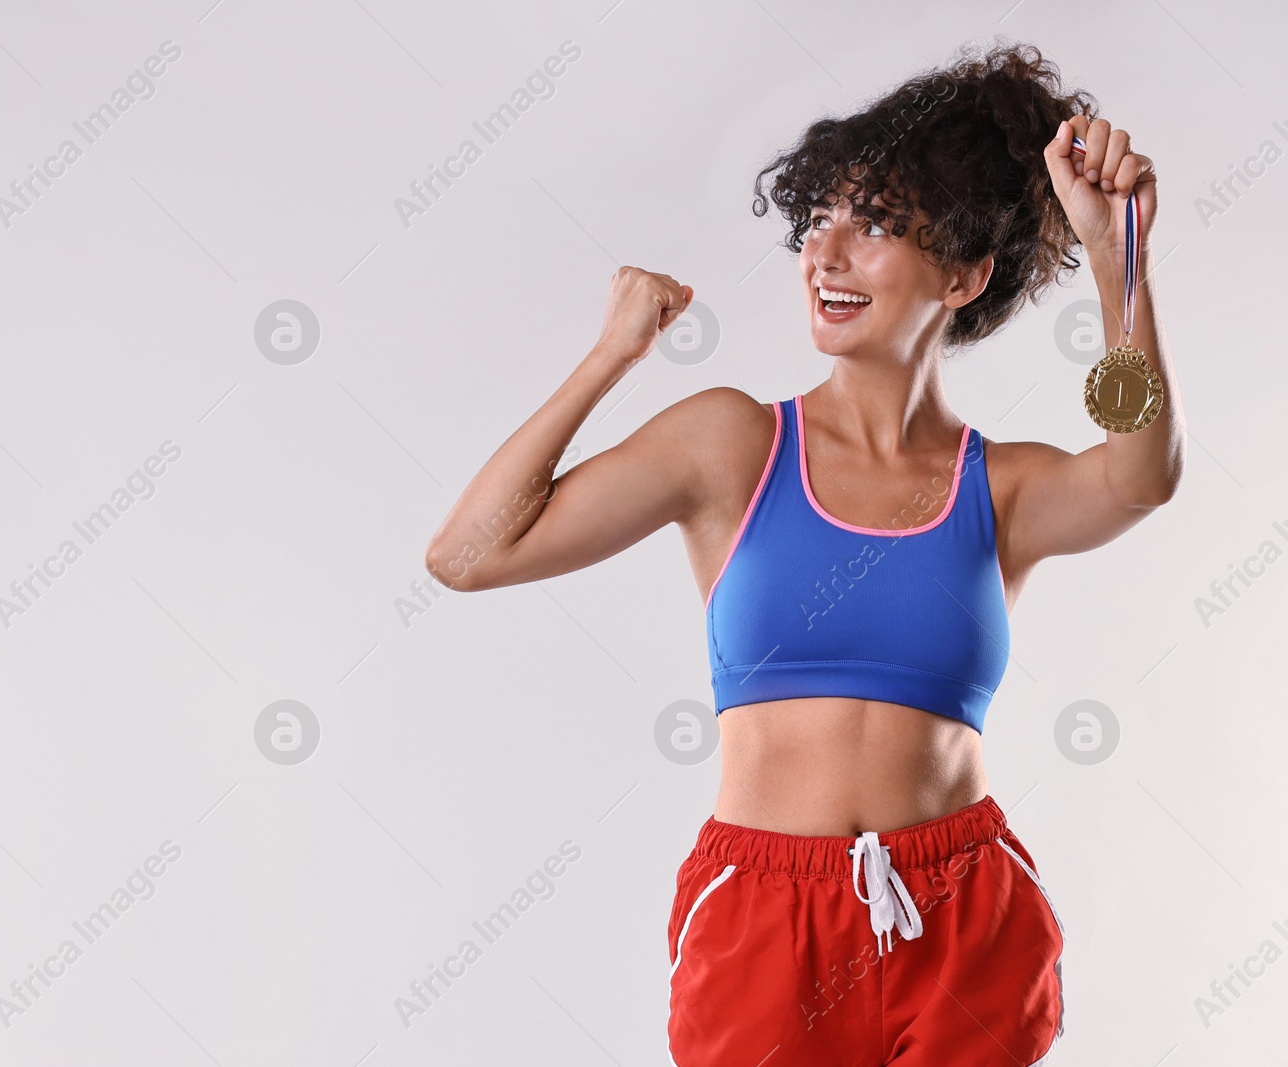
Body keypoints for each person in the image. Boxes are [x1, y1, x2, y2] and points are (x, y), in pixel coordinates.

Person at [422, 39, 1182, 1065]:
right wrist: (611, 357)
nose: (825, 254)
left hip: (962, 911)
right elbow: (467, 554)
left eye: (873, 226)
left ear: (962, 273)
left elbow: (1138, 474)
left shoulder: (997, 487)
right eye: (817, 219)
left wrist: (1117, 262)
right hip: (765, 914)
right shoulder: (731, 443)